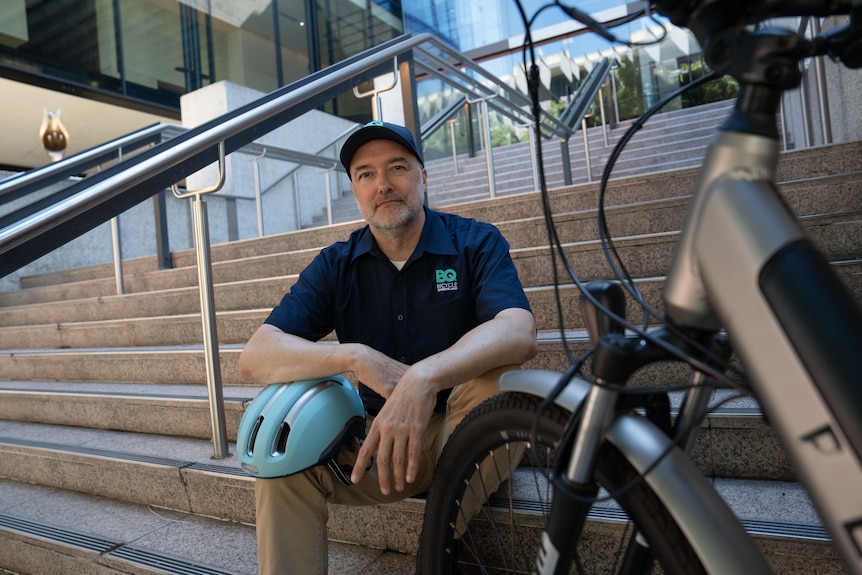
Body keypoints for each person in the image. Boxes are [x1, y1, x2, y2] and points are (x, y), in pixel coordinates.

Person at [238, 120, 538, 574]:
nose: (383, 184)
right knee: (279, 443)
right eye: (366, 174)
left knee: (502, 383)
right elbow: (256, 356)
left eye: (397, 167)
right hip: (382, 448)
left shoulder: (475, 242)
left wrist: (424, 376)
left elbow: (518, 329)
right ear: (355, 189)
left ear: (423, 176)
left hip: (465, 438)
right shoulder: (336, 265)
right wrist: (354, 356)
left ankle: (433, 552)